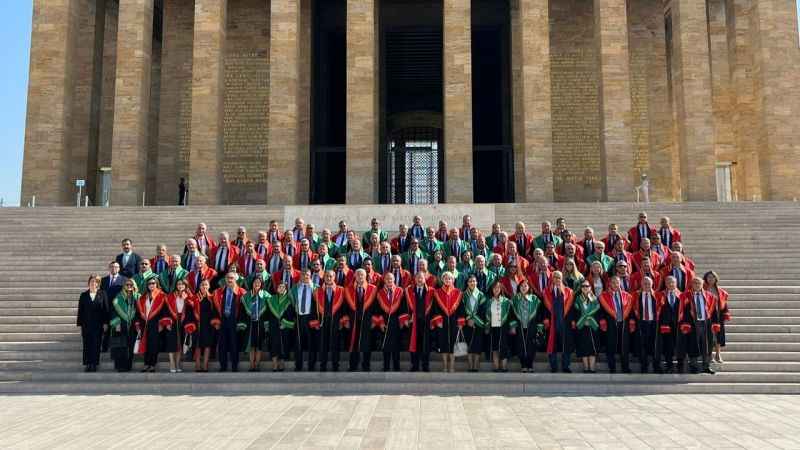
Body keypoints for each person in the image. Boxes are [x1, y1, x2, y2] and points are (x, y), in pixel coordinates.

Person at [678, 278, 715, 374]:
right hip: (693, 323)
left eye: (699, 283)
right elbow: (683, 310)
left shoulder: (709, 296)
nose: (697, 285)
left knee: (706, 345)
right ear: (691, 284)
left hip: (705, 322)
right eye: (695, 283)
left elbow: (712, 310)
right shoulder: (686, 296)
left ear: (702, 284)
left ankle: (706, 366)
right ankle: (693, 366)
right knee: (693, 344)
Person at [344, 269, 378, 371]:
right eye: (358, 274)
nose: (360, 276)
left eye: (362, 274)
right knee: (353, 343)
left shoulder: (373, 289)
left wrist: (374, 320)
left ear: (365, 276)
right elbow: (345, 306)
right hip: (353, 320)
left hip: (367, 320)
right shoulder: (348, 289)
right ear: (354, 275)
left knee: (366, 343)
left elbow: (376, 307)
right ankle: (353, 365)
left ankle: (366, 365)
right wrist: (346, 320)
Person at [599, 276, 634, 374]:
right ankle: (612, 367)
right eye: (613, 282)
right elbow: (601, 311)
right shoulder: (604, 295)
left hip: (623, 324)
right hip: (610, 324)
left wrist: (631, 321)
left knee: (625, 346)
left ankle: (625, 367)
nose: (615, 284)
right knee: (610, 345)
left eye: (617, 283)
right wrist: (602, 321)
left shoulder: (627, 296)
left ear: (620, 284)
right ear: (610, 283)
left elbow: (630, 311)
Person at [542, 271, 575, 373]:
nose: (557, 279)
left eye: (559, 277)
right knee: (552, 344)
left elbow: (572, 308)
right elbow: (543, 308)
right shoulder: (547, 291)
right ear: (551, 279)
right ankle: (554, 366)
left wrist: (573, 320)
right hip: (552, 322)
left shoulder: (568, 291)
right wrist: (545, 318)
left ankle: (566, 366)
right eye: (555, 277)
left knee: (566, 344)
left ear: (562, 279)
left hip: (565, 321)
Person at [432, 272, 464, 373]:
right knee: (443, 344)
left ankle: (452, 366)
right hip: (442, 322)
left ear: (453, 280)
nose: (448, 280)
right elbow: (435, 309)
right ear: (442, 280)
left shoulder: (458, 292)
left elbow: (461, 309)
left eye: (450, 278)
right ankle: (445, 366)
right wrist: (438, 320)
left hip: (454, 322)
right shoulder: (437, 292)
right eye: (445, 278)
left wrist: (460, 322)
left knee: (453, 344)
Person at [213, 273, 245, 372]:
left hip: (234, 322)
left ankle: (234, 366)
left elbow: (244, 310)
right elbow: (214, 308)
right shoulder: (218, 292)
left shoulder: (241, 292)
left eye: (231, 278)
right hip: (222, 321)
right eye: (227, 278)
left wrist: (240, 323)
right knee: (222, 345)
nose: (229, 280)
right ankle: (223, 366)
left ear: (236, 280)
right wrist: (216, 322)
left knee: (234, 345)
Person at [315, 271, 347, 372]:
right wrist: (315, 321)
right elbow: (313, 307)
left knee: (335, 343)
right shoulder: (318, 291)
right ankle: (323, 365)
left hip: (336, 321)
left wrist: (343, 321)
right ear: (324, 277)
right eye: (327, 276)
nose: (329, 278)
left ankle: (335, 365)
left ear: (334, 277)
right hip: (323, 321)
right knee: (322, 344)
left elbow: (344, 308)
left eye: (331, 276)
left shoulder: (341, 290)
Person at [135, 277, 168, 373]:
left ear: (157, 284)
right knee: (145, 344)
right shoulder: (143, 297)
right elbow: (138, 313)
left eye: (153, 283)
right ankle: (146, 364)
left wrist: (162, 324)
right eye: (149, 283)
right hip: (144, 324)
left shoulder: (162, 296)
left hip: (156, 324)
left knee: (154, 345)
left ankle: (152, 364)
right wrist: (137, 325)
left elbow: (165, 312)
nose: (151, 285)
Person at [375, 272, 407, 372]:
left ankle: (397, 366)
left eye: (391, 279)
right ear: (384, 280)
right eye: (387, 279)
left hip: (396, 322)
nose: (389, 281)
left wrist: (402, 321)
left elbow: (404, 308)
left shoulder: (400, 291)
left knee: (396, 345)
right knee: (385, 345)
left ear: (394, 280)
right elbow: (377, 310)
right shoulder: (380, 293)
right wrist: (380, 322)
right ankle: (386, 366)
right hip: (384, 323)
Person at [163, 279, 196, 373]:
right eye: (178, 284)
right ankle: (172, 363)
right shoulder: (170, 296)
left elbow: (192, 310)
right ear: (176, 285)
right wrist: (167, 323)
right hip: (172, 321)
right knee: (171, 343)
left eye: (182, 284)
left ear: (186, 286)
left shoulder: (189, 296)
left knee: (180, 344)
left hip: (183, 321)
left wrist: (186, 299)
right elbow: (165, 310)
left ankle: (178, 363)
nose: (180, 285)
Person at [77, 274, 108, 372]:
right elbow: (80, 310)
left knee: (96, 344)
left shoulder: (103, 294)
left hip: (98, 324)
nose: (93, 283)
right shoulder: (83, 295)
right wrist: (80, 323)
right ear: (88, 283)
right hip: (86, 324)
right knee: (87, 345)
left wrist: (106, 323)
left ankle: (94, 364)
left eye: (95, 282)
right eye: (91, 282)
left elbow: (106, 310)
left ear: (98, 284)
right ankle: (88, 364)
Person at [510, 279, 543, 373]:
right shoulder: (515, 299)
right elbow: (511, 314)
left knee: (531, 346)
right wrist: (513, 326)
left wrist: (539, 328)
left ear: (529, 288)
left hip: (531, 326)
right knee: (520, 345)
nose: (524, 288)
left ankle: (530, 364)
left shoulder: (535, 299)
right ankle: (523, 365)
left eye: (525, 286)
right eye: (522, 286)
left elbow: (539, 314)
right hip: (519, 326)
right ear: (519, 288)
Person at [291, 269, 319, 371]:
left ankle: (311, 365)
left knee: (312, 342)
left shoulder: (316, 288)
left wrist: (317, 319)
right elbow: (291, 303)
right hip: (299, 318)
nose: (305, 276)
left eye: (307, 275)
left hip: (311, 318)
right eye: (303, 274)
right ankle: (298, 365)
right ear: (300, 276)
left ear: (310, 276)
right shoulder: (294, 288)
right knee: (298, 343)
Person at [406, 271, 434, 372]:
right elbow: (405, 307)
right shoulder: (409, 290)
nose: (419, 279)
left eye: (421, 278)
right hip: (413, 322)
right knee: (414, 344)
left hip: (426, 322)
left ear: (425, 279)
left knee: (425, 344)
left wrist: (433, 321)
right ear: (414, 279)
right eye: (417, 277)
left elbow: (434, 308)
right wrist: (407, 318)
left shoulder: (431, 291)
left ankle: (425, 365)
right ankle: (415, 365)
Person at [240, 276, 269, 372]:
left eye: (259, 283)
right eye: (255, 282)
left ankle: (257, 365)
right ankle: (251, 365)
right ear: (252, 283)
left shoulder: (266, 295)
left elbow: (269, 310)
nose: (257, 284)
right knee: (251, 345)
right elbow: (243, 312)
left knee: (259, 345)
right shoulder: (246, 296)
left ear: (261, 284)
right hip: (250, 324)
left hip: (261, 323)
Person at [265, 282, 295, 372]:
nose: (281, 288)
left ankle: (281, 363)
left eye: (283, 287)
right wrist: (267, 326)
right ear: (276, 289)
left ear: (286, 289)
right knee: (274, 344)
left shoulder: (289, 300)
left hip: (284, 326)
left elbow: (290, 315)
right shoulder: (271, 299)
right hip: (273, 325)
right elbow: (268, 314)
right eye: (279, 287)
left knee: (283, 345)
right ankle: (274, 364)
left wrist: (285, 323)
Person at [634, 276, 661, 373]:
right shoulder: (636, 295)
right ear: (641, 284)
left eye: (648, 284)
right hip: (641, 323)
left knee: (655, 345)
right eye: (644, 283)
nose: (646, 285)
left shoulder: (658, 295)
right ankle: (644, 366)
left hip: (654, 323)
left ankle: (656, 366)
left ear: (652, 284)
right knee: (642, 345)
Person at [460, 274, 487, 372]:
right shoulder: (463, 295)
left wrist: (474, 320)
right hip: (467, 323)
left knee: (477, 344)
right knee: (469, 344)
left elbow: (482, 310)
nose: (472, 283)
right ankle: (470, 365)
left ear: (477, 282)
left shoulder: (481, 295)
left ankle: (476, 365)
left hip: (478, 323)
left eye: (474, 281)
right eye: (470, 281)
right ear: (467, 283)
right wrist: (468, 320)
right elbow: (461, 309)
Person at [704, 270, 731, 364]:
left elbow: (724, 304)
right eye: (709, 277)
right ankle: (710, 355)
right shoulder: (703, 289)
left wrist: (726, 313)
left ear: (716, 279)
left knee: (718, 335)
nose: (711, 279)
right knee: (709, 336)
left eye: (713, 277)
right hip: (707, 315)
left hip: (718, 316)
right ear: (705, 279)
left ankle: (718, 354)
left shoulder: (721, 292)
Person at [656, 276, 682, 373]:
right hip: (665, 325)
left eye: (672, 282)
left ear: (676, 283)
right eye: (668, 282)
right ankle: (669, 364)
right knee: (668, 345)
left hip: (679, 325)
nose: (671, 284)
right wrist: (662, 323)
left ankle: (680, 364)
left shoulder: (681, 295)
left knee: (680, 344)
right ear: (665, 284)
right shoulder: (660, 295)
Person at [573, 280, 600, 373]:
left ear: (590, 287)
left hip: (592, 325)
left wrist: (590, 320)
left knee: (592, 347)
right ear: (581, 288)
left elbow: (598, 313)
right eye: (583, 286)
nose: (585, 287)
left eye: (587, 286)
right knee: (583, 347)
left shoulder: (595, 299)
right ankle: (586, 368)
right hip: (582, 325)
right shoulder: (577, 299)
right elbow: (576, 313)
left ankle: (592, 368)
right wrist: (583, 321)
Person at [485, 281, 512, 372]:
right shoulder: (489, 301)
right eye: (494, 288)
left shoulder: (506, 301)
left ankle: (504, 366)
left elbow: (511, 315)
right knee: (495, 346)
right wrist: (487, 327)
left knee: (503, 346)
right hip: (493, 327)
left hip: (503, 326)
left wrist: (512, 327)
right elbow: (487, 315)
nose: (496, 289)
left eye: (498, 288)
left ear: (501, 289)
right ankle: (496, 366)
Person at [193, 279, 217, 372]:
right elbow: (191, 311)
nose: (204, 287)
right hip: (198, 324)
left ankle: (205, 365)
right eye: (202, 285)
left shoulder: (212, 298)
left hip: (208, 324)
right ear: (199, 287)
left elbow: (215, 311)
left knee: (207, 345)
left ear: (209, 286)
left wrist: (215, 322)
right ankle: (198, 365)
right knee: (198, 345)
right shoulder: (195, 298)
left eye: (206, 285)